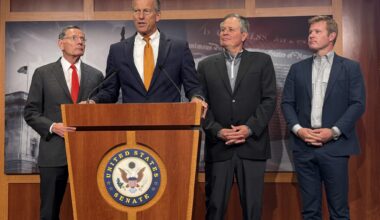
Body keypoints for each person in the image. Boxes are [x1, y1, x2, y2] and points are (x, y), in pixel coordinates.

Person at [281, 15, 366, 219]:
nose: (311, 35)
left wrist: (333, 132)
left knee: (339, 211)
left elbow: (357, 104)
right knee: (310, 211)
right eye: (310, 32)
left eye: (317, 31)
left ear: (332, 36)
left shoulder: (350, 68)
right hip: (304, 147)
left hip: (335, 148)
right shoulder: (297, 69)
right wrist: (299, 130)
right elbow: (287, 103)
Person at [197, 14, 277, 220]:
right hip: (219, 147)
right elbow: (201, 105)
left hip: (252, 147)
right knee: (214, 208)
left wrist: (249, 128)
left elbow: (269, 100)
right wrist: (217, 130)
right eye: (222, 29)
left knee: (252, 209)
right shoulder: (205, 65)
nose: (224, 32)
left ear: (244, 35)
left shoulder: (262, 61)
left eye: (230, 29)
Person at [24, 25, 103, 220]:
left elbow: (103, 112)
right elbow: (31, 112)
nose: (80, 42)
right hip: (53, 153)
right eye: (75, 38)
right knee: (49, 212)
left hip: (88, 153)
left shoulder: (96, 75)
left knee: (91, 209)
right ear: (61, 43)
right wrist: (53, 127)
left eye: (83, 39)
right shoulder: (43, 73)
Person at [90, 0, 206, 106]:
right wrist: (94, 101)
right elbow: (110, 91)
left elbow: (193, 86)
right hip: (132, 123)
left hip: (168, 124)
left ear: (158, 16)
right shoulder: (118, 50)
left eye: (146, 11)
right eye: (136, 11)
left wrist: (197, 97)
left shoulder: (178, 48)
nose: (141, 16)